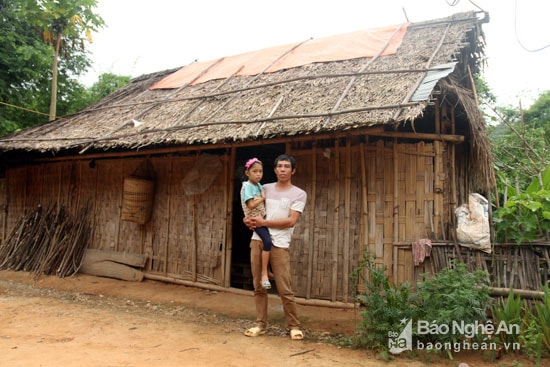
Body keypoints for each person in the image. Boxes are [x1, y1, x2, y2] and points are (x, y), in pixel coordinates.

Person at [243, 154, 307, 341]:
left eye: (287, 166)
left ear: (293, 170)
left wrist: (264, 222)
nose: (283, 169)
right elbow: (251, 209)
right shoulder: (264, 188)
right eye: (279, 166)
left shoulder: (299, 193)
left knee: (284, 287)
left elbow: (291, 221)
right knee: (258, 285)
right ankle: (260, 324)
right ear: (275, 169)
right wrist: (247, 220)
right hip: (258, 240)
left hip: (279, 243)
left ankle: (293, 325)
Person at [240, 157, 273, 289]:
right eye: (255, 171)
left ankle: (268, 270)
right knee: (268, 241)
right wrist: (263, 198)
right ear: (247, 172)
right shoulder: (247, 187)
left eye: (260, 171)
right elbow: (251, 204)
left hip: (261, 218)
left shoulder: (258, 185)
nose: (258, 174)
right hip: (255, 220)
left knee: (271, 241)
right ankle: (264, 273)